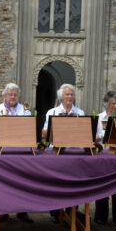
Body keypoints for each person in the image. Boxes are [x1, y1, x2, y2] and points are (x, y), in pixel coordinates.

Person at [0, 83, 33, 223]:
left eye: (15, 94)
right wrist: (1, 124)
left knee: (22, 181)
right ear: (4, 96)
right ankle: (3, 211)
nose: (13, 97)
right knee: (4, 181)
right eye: (10, 94)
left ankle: (22, 211)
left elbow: (31, 128)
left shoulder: (24, 109)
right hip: (4, 150)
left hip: (21, 151)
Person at [42, 84, 85, 223]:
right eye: (67, 94)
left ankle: (72, 210)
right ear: (61, 97)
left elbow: (84, 133)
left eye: (72, 94)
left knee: (73, 183)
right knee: (56, 182)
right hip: (57, 153)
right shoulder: (52, 112)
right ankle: (55, 212)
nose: (70, 97)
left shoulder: (80, 113)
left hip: (74, 152)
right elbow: (44, 133)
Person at [94, 91, 116, 225]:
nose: (115, 106)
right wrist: (102, 135)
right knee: (102, 186)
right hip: (102, 155)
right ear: (107, 104)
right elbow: (93, 138)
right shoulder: (99, 118)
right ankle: (101, 216)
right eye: (113, 103)